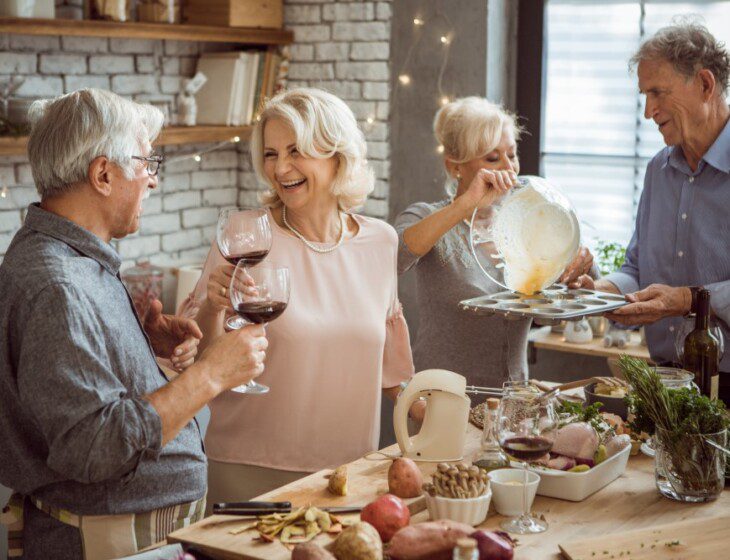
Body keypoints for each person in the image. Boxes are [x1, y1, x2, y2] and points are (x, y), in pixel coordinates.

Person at [0, 89, 268, 559]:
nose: (152, 181)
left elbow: (72, 382)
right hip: (108, 540)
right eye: (147, 163)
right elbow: (93, 445)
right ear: (103, 174)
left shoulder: (75, 259)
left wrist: (142, 348)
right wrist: (211, 375)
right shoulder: (57, 285)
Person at [180, 88, 420, 505]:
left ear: (336, 155)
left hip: (349, 472)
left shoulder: (381, 241)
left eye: (296, 151)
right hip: (251, 468)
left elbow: (391, 375)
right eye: (271, 154)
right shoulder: (244, 238)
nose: (281, 168)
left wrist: (453, 421)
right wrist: (211, 306)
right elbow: (201, 362)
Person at [575, 21, 730, 401]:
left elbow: (677, 297)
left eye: (658, 92)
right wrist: (601, 293)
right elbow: (636, 268)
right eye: (645, 95)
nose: (648, 111)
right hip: (664, 381)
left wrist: (688, 299)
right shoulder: (657, 171)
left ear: (706, 85)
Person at [394, 97, 594, 389]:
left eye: (511, 155)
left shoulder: (527, 227)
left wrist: (578, 273)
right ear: (455, 167)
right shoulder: (425, 216)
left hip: (513, 400)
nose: (508, 168)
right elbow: (395, 255)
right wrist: (464, 206)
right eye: (492, 158)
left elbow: (555, 307)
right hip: (441, 401)